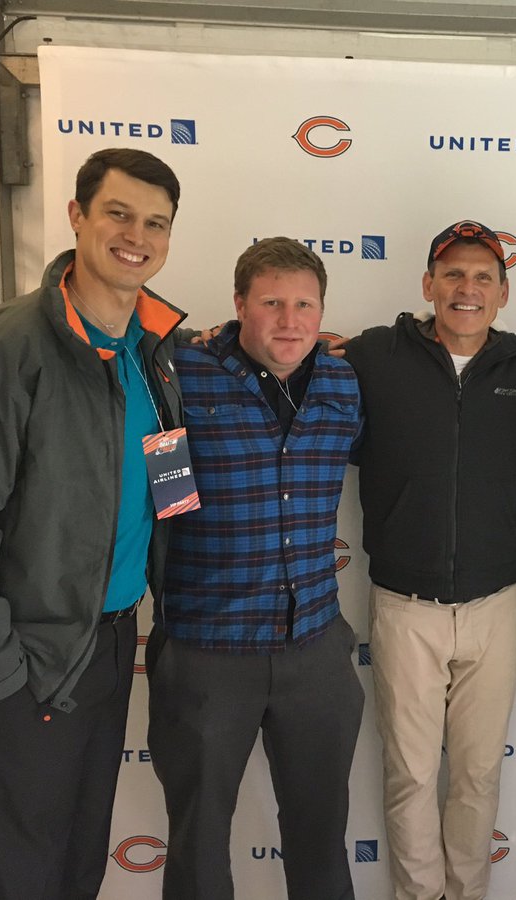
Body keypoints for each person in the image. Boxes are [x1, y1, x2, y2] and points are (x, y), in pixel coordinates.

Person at [0, 147, 185, 899]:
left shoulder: (152, 356)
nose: (136, 235)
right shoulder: (1, 352)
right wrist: (0, 677)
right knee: (23, 871)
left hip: (111, 640)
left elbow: (168, 484)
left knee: (78, 858)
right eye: (118, 213)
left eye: (155, 223)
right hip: (27, 656)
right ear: (77, 217)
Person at [146, 237, 364, 900]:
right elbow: (162, 499)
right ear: (240, 305)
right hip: (210, 650)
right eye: (271, 302)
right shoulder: (183, 374)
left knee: (321, 838)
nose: (290, 319)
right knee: (199, 842)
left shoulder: (342, 380)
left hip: (316, 647)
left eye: (304, 304)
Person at [341, 220, 516, 900]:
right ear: (428, 285)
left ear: (503, 293)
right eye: (453, 274)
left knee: (479, 775)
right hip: (405, 605)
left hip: (495, 604)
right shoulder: (373, 356)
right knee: (411, 777)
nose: (467, 288)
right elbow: (286, 354)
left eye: (483, 277)